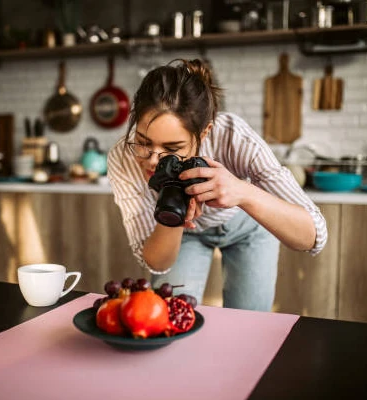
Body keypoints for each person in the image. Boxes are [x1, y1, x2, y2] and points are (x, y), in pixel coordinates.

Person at [107, 59, 327, 311]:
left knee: (249, 324)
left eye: (172, 148)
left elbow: (314, 236)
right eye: (143, 142)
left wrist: (242, 192)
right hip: (187, 234)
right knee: (169, 314)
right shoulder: (122, 157)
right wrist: (175, 212)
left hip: (248, 227)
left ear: (204, 133)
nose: (154, 161)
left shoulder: (233, 136)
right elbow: (157, 262)